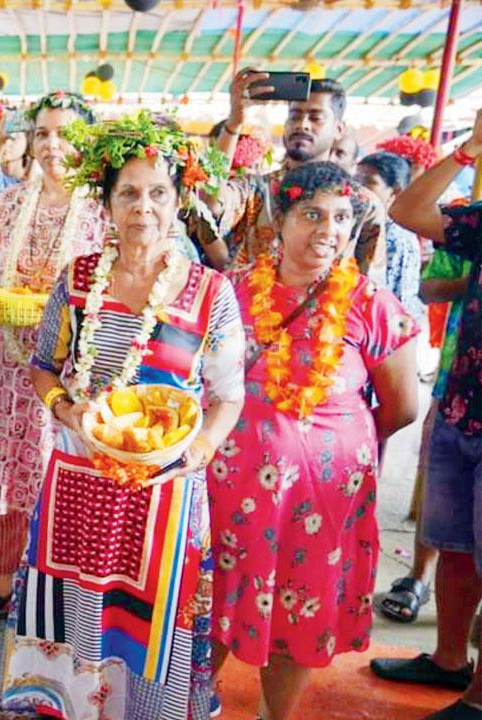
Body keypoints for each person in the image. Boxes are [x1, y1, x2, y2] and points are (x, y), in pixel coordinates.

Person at [0, 111, 247, 720]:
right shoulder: (79, 279)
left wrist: (193, 452)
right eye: (128, 193)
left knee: (152, 627)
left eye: (158, 193)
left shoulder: (211, 293)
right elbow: (41, 365)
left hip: (164, 493)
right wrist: (68, 410)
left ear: (180, 200)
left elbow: (229, 395)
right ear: (107, 203)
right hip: (78, 481)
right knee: (77, 617)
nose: (143, 208)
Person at [209, 162, 420, 720]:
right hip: (230, 492)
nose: (329, 229)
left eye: (342, 217)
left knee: (296, 605)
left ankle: (274, 714)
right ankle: (188, 702)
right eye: (312, 214)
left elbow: (402, 407)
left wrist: (326, 448)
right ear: (280, 220)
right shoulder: (230, 291)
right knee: (214, 597)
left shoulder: (371, 303)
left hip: (321, 502)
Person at [0, 92, 105, 631]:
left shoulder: (104, 206)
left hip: (73, 369)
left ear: (88, 141)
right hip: (5, 364)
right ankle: (1, 582)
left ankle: (58, 589)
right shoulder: (12, 202)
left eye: (64, 134)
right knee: (9, 475)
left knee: (63, 474)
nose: (52, 145)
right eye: (42, 133)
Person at [371, 110, 482, 720]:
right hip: (464, 399)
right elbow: (408, 212)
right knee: (455, 543)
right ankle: (446, 661)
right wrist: (467, 152)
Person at [202, 72, 387, 277]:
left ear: (338, 129)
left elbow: (371, 287)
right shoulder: (256, 189)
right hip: (252, 305)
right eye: (295, 116)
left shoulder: (361, 203)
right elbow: (210, 202)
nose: (302, 124)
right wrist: (235, 122)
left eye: (315, 118)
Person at [357, 151, 427, 320]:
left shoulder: (398, 238)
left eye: (369, 182)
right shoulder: (365, 224)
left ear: (395, 191)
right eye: (356, 180)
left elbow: (398, 300)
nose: (359, 188)